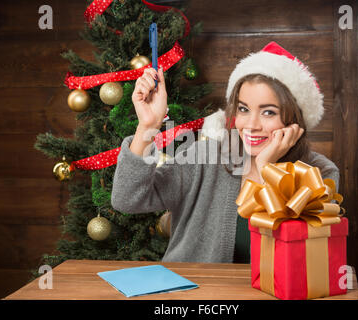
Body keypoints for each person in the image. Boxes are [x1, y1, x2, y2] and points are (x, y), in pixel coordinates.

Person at [111, 41, 339, 264]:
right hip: (198, 293)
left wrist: (267, 168)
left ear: (295, 120)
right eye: (243, 109)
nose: (251, 124)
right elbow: (127, 200)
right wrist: (147, 126)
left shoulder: (320, 173)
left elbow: (302, 259)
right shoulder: (204, 156)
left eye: (269, 112)